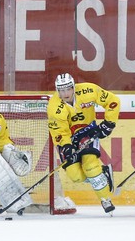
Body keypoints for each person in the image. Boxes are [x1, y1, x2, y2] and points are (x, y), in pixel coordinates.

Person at [48, 73, 119, 213]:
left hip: (88, 132)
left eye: (68, 89)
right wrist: (67, 147)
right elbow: (59, 131)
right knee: (76, 176)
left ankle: (105, 199)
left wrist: (109, 123)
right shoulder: (54, 106)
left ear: (74, 87)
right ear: (57, 90)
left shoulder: (88, 90)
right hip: (69, 139)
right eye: (61, 90)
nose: (65, 93)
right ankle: (102, 173)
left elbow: (112, 101)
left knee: (91, 166)